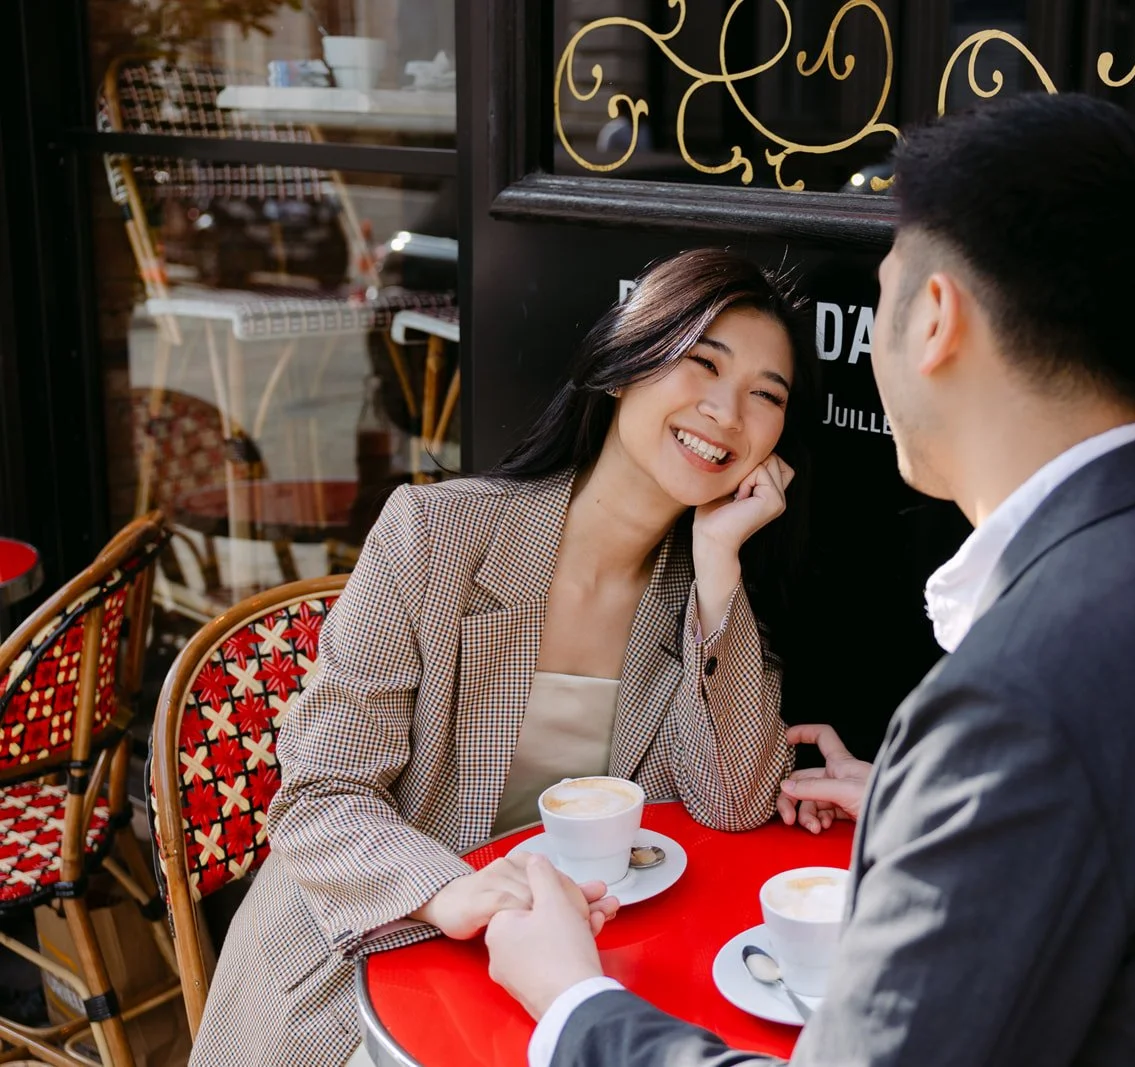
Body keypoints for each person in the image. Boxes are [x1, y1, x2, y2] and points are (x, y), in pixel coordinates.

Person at [485, 92, 1135, 1066]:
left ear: (933, 317)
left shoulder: (1012, 702)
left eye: (881, 294)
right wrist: (917, 806)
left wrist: (573, 1002)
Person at [190, 248, 818, 1067]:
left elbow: (731, 801)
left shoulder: (699, 597)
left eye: (765, 396)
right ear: (625, 365)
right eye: (702, 363)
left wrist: (717, 570)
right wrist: (452, 891)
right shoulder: (434, 535)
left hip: (551, 986)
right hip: (366, 968)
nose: (728, 413)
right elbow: (320, 791)